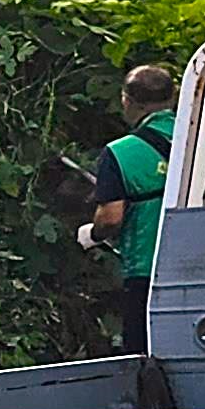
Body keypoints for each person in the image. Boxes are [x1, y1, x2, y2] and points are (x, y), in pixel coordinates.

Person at [83, 63, 180, 356]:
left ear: (127, 100)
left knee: (145, 358)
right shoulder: (202, 135)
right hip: (204, 265)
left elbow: (111, 218)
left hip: (147, 270)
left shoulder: (120, 152)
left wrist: (93, 233)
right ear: (174, 96)